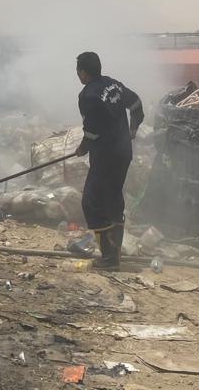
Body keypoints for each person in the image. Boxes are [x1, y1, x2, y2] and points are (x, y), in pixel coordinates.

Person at [69, 51, 144, 269]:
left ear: (84, 73)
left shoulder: (87, 96)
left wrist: (82, 148)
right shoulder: (113, 85)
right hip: (123, 153)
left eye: (78, 71)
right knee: (113, 199)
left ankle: (109, 258)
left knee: (91, 203)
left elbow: (91, 131)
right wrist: (133, 128)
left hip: (106, 157)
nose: (77, 75)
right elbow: (136, 104)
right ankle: (115, 255)